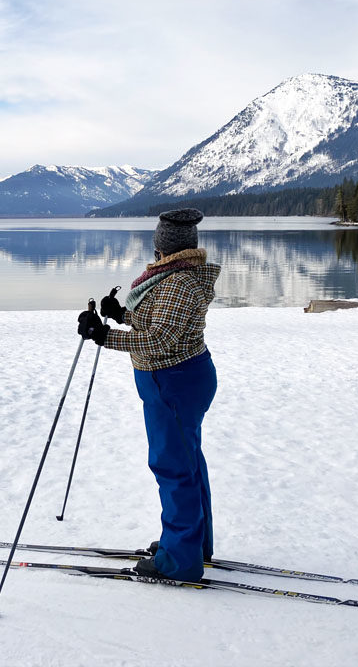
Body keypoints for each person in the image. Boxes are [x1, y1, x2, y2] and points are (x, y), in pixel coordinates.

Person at [77, 208, 220, 582]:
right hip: (177, 380)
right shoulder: (174, 277)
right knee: (186, 462)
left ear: (163, 248)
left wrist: (104, 336)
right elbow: (160, 321)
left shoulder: (177, 283)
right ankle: (191, 543)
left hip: (172, 381)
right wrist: (121, 314)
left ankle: (180, 561)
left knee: (173, 467)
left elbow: (161, 339)